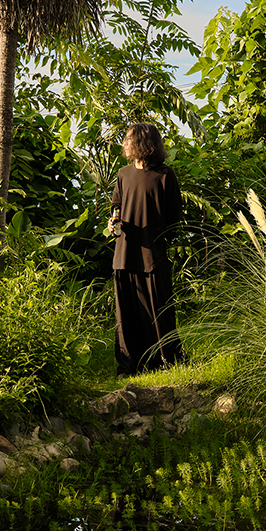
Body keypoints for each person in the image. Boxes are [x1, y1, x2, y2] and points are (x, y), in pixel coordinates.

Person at [108, 123, 183, 377]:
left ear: (143, 143)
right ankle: (128, 367)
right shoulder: (123, 174)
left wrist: (157, 235)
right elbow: (116, 206)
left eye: (128, 140)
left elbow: (175, 219)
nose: (124, 144)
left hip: (153, 256)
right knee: (126, 316)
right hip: (124, 255)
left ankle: (166, 362)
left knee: (158, 311)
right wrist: (113, 223)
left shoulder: (165, 175)